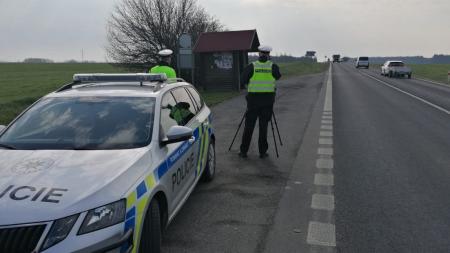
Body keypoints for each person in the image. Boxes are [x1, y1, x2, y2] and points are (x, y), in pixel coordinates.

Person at [239, 45, 282, 158]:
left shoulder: (252, 66)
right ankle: (262, 152)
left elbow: (242, 79)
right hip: (267, 103)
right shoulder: (273, 66)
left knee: (249, 127)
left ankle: (244, 151)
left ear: (259, 53)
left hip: (253, 102)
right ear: (268, 54)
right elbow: (278, 77)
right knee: (263, 128)